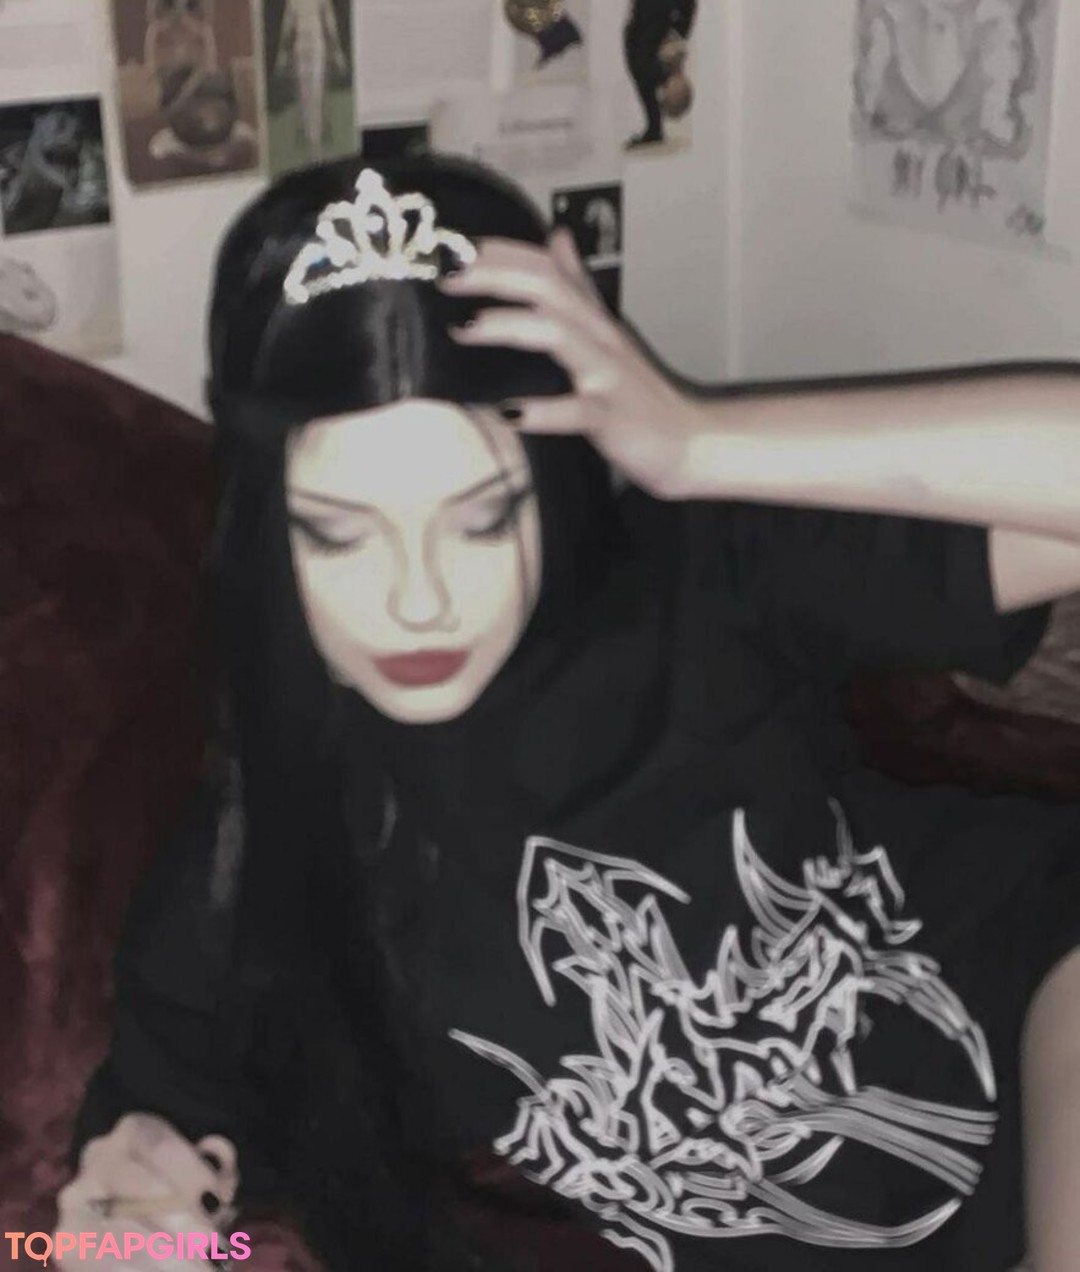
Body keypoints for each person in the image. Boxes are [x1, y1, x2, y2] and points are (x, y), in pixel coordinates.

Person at [59, 153, 1080, 1272]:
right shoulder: (249, 880)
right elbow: (111, 1214)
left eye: (483, 519)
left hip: (1040, 981)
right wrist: (123, 1223)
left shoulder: (696, 579)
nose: (418, 597)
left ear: (548, 488)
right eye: (340, 533)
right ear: (270, 538)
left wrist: (699, 441)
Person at [623, 0, 698, 147]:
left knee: (644, 69)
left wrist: (680, 29)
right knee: (640, 70)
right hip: (641, 21)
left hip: (656, 20)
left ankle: (656, 125)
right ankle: (654, 126)